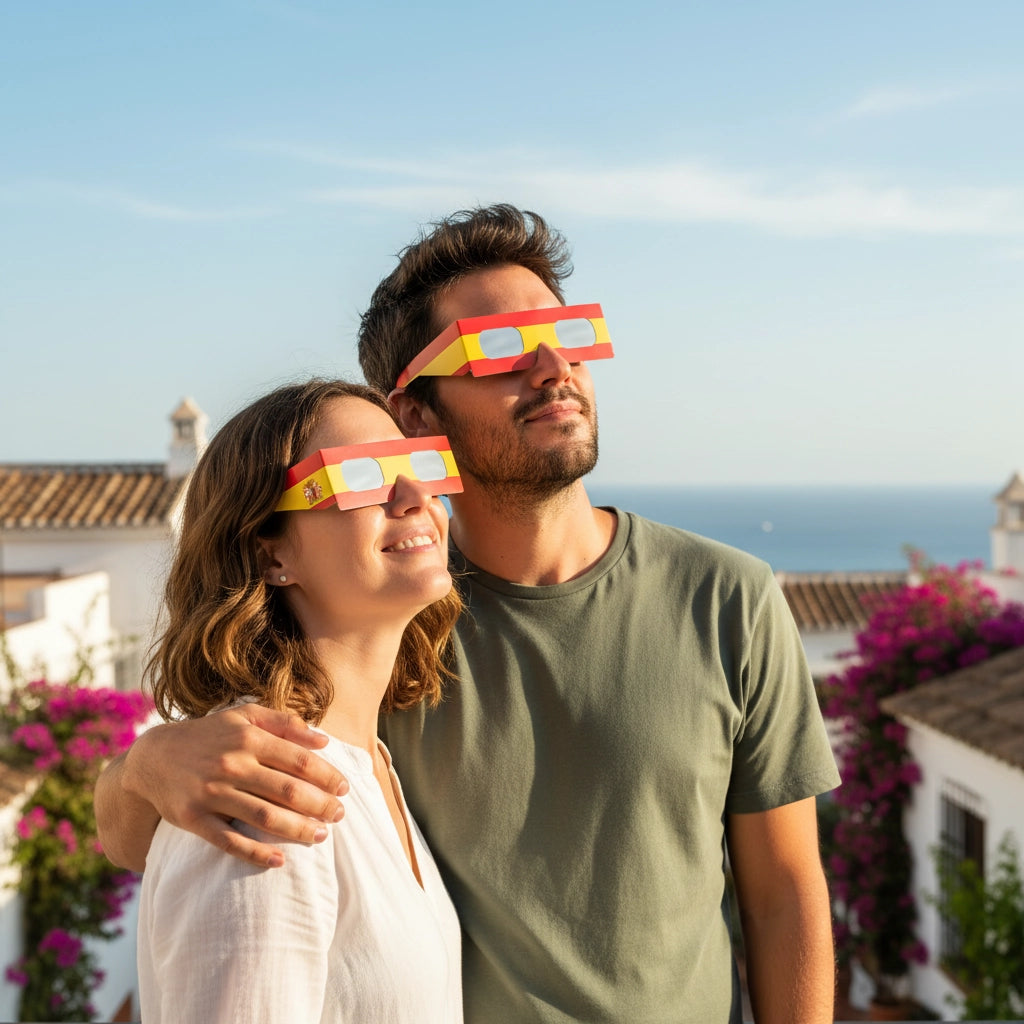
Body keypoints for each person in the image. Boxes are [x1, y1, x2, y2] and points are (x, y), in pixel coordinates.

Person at [97, 205, 841, 1023]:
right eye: (497, 348)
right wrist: (147, 766)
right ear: (414, 415)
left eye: (570, 334)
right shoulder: (378, 610)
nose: (556, 366)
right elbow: (175, 841)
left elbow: (786, 894)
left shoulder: (728, 597)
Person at [132, 378, 464, 1023]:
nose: (417, 495)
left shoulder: (367, 766)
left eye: (419, 463)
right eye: (362, 476)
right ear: (271, 551)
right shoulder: (259, 792)